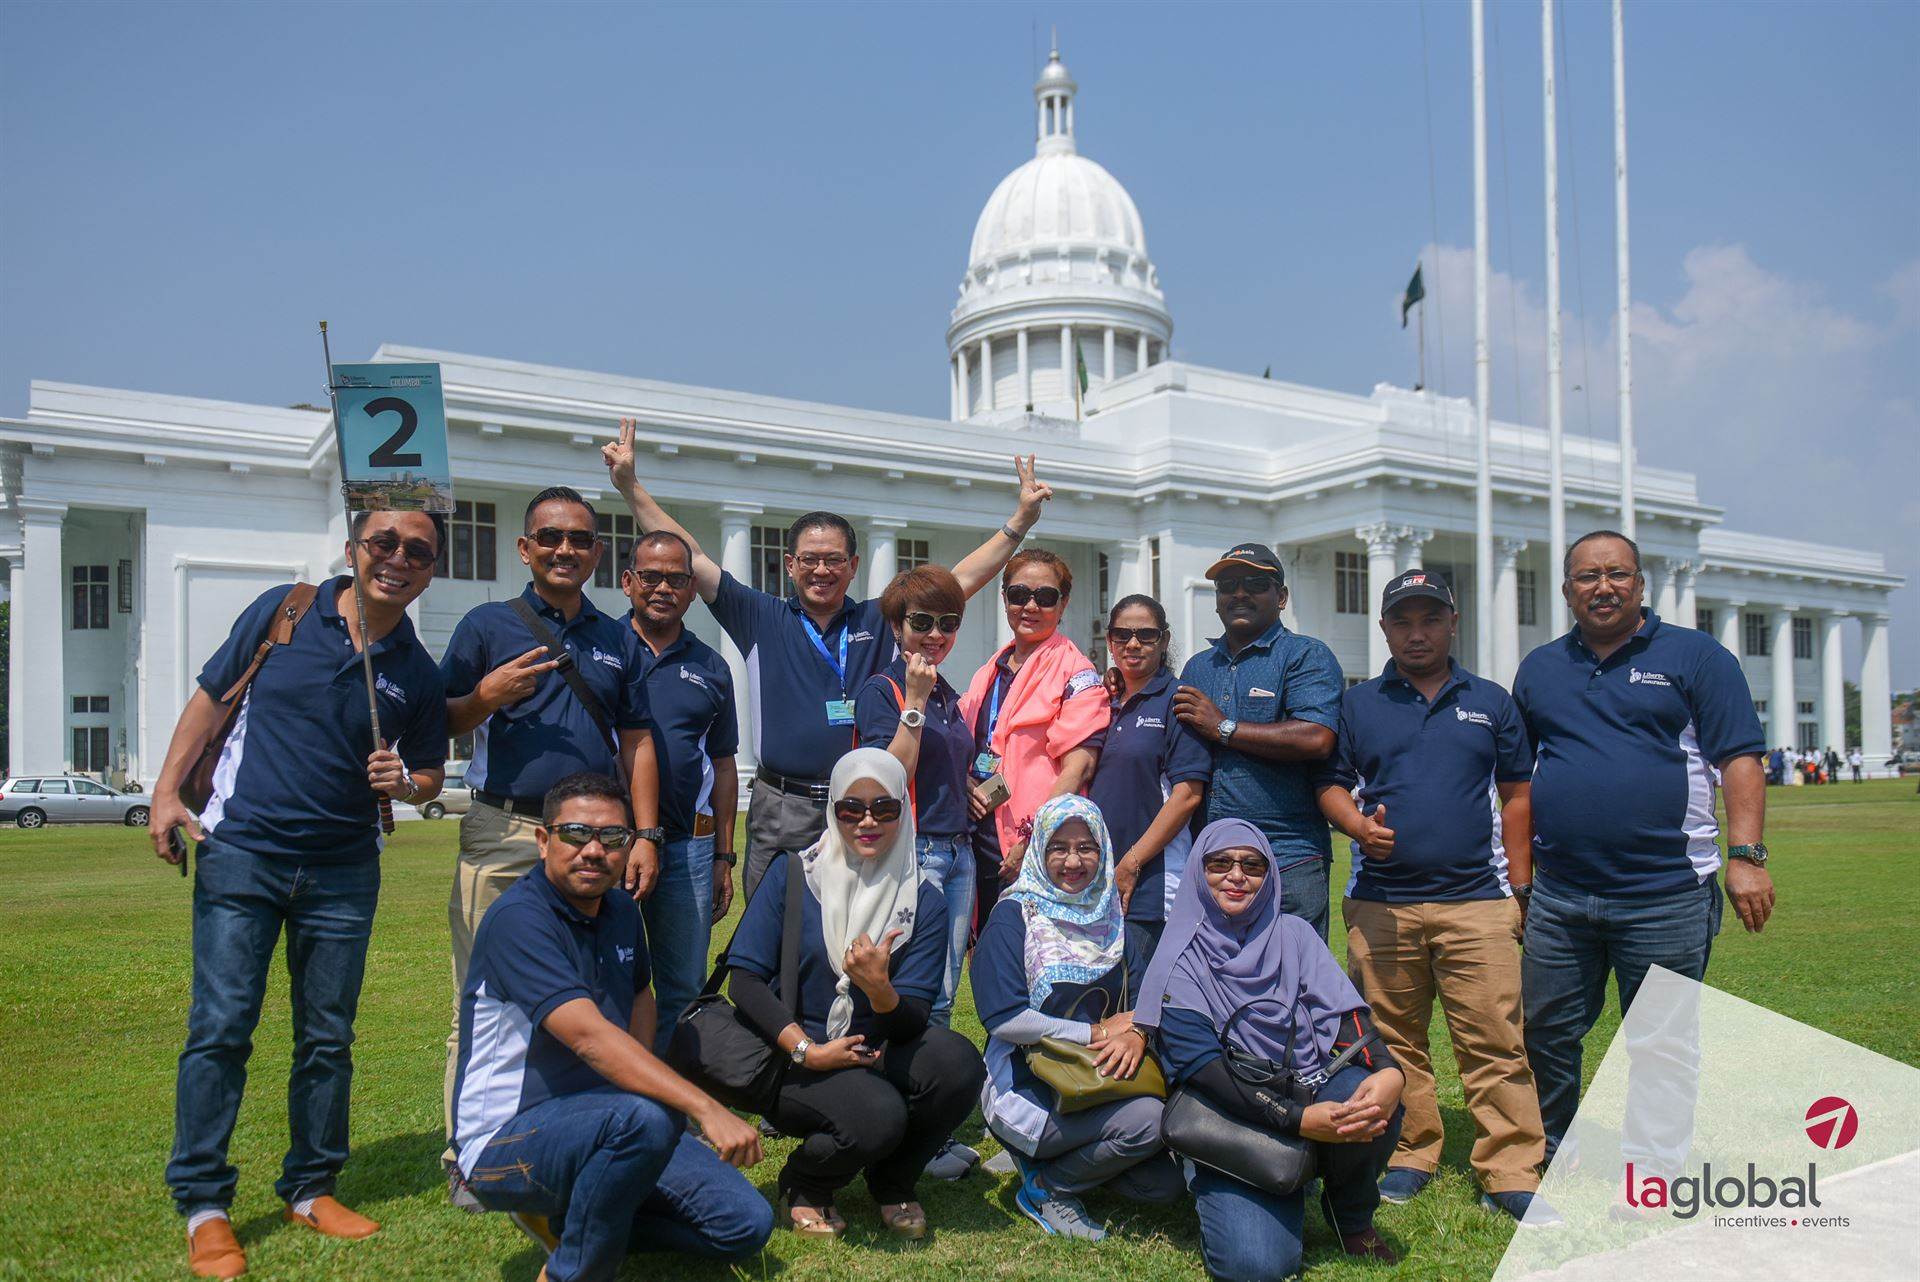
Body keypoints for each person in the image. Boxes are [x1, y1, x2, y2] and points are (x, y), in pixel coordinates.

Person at [149, 510, 449, 1279]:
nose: (398, 559)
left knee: (327, 1037)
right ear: (353, 548)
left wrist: (406, 783)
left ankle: (312, 1188)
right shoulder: (285, 611)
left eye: (418, 552)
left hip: (343, 870)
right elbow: (211, 699)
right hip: (243, 854)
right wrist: (164, 791)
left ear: (430, 570)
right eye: (384, 543)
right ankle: (205, 1205)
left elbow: (430, 774)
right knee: (221, 1028)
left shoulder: (418, 671)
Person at [604, 419, 1052, 902]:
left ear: (853, 566)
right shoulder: (760, 616)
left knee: (857, 927)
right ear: (790, 564)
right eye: (810, 559)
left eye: (835, 559)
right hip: (783, 806)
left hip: (862, 807)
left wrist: (1020, 522)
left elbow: (957, 582)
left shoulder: (879, 619)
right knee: (773, 930)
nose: (822, 570)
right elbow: (689, 555)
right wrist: (630, 487)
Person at [1512, 530, 1774, 1171]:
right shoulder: (1540, 668)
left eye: (1618, 574)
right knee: (1546, 1031)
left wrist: (1747, 857)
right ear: (1566, 589)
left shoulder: (1697, 656)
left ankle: (1654, 1167)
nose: (1603, 586)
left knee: (1661, 1041)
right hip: (1561, 895)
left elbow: (1740, 757)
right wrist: (1520, 882)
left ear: (1639, 583)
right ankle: (1552, 1149)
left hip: (1666, 894)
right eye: (1588, 576)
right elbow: (1518, 778)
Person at [451, 773, 772, 1282]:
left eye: (612, 837)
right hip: (505, 1142)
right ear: (543, 840)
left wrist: (639, 1093)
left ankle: (574, 1218)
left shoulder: (620, 909)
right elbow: (589, 1038)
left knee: (745, 1224)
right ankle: (572, 1271)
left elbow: (642, 994)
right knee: (646, 1120)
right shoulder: (520, 919)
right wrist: (704, 1107)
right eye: (576, 833)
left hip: (609, 1120)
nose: (593, 850)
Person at [1314, 569, 1553, 1224]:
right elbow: (1330, 784)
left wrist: (1521, 887)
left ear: (1453, 623)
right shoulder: (1358, 704)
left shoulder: (1491, 701)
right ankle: (1410, 1150)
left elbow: (1518, 796)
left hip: (1477, 900)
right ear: (1384, 628)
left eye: (1430, 619)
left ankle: (1511, 1167)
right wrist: (1356, 826)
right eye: (1402, 621)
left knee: (1495, 1039)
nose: (1416, 633)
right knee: (1393, 1040)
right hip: (1381, 902)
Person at [438, 487, 663, 1173]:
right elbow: (437, 718)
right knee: (483, 995)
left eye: (579, 539)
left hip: (597, 841)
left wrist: (645, 834)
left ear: (598, 553)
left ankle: (593, 1124)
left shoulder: (617, 637)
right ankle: (468, 1150)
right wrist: (484, 698)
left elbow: (637, 741)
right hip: (507, 829)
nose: (565, 549)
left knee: (600, 990)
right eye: (550, 537)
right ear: (525, 548)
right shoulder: (486, 625)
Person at [724, 748, 986, 1239]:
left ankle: (893, 1180)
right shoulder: (795, 875)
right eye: (851, 808)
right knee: (878, 1115)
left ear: (903, 811)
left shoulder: (921, 899)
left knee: (958, 1065)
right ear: (833, 811)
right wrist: (808, 1050)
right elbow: (745, 980)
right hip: (797, 1057)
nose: (868, 821)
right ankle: (806, 1182)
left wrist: (879, 989)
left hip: (875, 1052)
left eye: (884, 808)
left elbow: (913, 1020)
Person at [1137, 819, 1406, 1280]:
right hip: (1232, 1115)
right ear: (1199, 871)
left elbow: (1347, 1018)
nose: (1236, 875)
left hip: (1307, 1085)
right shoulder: (1178, 955)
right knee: (1257, 1266)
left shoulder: (1294, 934)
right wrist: (1297, 1120)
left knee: (1369, 1098)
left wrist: (1388, 1070)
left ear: (1270, 875)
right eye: (1220, 863)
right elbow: (1204, 1069)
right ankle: (1237, 1179)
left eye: (1252, 865)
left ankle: (1350, 1213)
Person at [973, 795, 1184, 1242]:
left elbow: (1144, 1003)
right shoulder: (1014, 916)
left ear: (1103, 850)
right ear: (1039, 850)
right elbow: (1004, 1019)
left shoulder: (1111, 916)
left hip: (1104, 1081)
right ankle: (1048, 1187)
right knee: (1149, 1122)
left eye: (1086, 848)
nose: (1073, 861)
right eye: (1059, 848)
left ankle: (1053, 1159)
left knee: (1162, 1186)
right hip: (1029, 1088)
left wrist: (1138, 1032)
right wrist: (1095, 1031)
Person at [854, 565, 981, 1180]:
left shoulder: (949, 691)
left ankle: (930, 1122)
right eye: (922, 622)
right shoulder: (884, 689)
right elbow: (888, 775)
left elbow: (948, 764)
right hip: (917, 852)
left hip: (958, 852)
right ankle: (902, 1123)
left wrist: (976, 785)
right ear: (896, 626)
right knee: (913, 994)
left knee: (945, 993)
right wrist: (916, 701)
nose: (935, 634)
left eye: (947, 623)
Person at [1175, 543, 1344, 939]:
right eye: (1227, 585)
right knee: (1217, 973)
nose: (1239, 593)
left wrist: (1224, 727)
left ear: (1281, 597)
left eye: (1254, 584)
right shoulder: (1198, 668)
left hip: (1287, 857)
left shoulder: (1305, 656)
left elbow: (1316, 736)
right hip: (1214, 859)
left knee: (1291, 973)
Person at [622, 529, 741, 1047]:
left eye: (676, 579)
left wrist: (723, 856)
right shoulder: (601, 648)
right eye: (651, 577)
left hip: (686, 848)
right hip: (610, 843)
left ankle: (672, 1087)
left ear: (693, 589)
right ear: (628, 581)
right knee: (606, 976)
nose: (663, 588)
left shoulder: (711, 666)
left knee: (684, 988)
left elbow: (724, 765)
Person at [959, 548, 1111, 921]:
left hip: (1034, 846)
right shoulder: (990, 669)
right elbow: (965, 742)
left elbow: (1078, 768)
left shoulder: (1076, 672)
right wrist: (964, 781)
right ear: (1004, 599)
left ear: (1063, 603)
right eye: (1019, 594)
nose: (1030, 606)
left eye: (1044, 597)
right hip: (979, 836)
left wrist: (1034, 838)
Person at [1090, 594, 1213, 953]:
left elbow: (1187, 795)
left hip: (1149, 885)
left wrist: (1132, 862)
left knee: (1142, 986)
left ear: (1164, 640)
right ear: (1109, 641)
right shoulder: (1102, 700)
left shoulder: (1177, 701)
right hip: (1093, 877)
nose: (1133, 644)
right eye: (1122, 634)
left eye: (1145, 635)